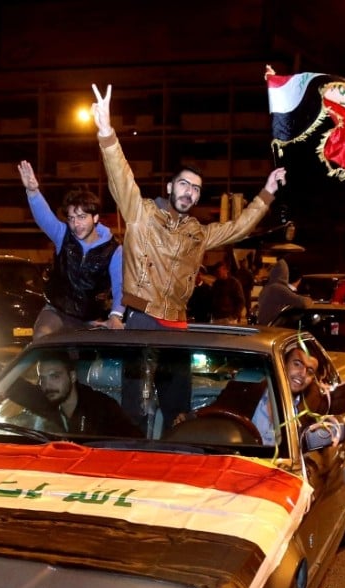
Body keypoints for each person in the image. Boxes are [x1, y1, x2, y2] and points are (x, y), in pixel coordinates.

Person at [90, 82, 287, 427]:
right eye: (184, 184)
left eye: (196, 189)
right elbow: (121, 178)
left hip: (178, 321)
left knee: (177, 405)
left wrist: (267, 193)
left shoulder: (198, 233)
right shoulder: (142, 213)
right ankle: (129, 459)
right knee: (134, 402)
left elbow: (238, 228)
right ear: (169, 187)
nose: (190, 192)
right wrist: (107, 132)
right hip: (141, 316)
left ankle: (171, 463)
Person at [17, 160, 124, 339]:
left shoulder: (113, 250)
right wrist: (33, 191)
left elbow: (120, 285)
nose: (76, 224)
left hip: (89, 319)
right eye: (72, 218)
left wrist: (116, 316)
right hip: (57, 311)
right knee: (43, 337)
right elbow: (45, 218)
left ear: (95, 217)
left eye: (82, 217)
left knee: (86, 362)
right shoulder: (63, 235)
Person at [5, 350, 141, 437]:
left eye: (55, 376)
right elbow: (14, 387)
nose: (47, 385)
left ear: (73, 376)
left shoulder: (102, 407)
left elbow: (133, 441)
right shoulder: (48, 399)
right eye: (42, 379)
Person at [256, 258, 312, 325]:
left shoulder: (268, 287)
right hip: (272, 327)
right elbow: (302, 303)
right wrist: (310, 300)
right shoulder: (278, 289)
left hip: (265, 325)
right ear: (285, 273)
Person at [210, 260, 247, 325]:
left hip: (228, 318)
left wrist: (234, 316)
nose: (217, 273)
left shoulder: (234, 283)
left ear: (226, 270)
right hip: (217, 317)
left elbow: (241, 301)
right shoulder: (216, 284)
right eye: (216, 272)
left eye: (219, 271)